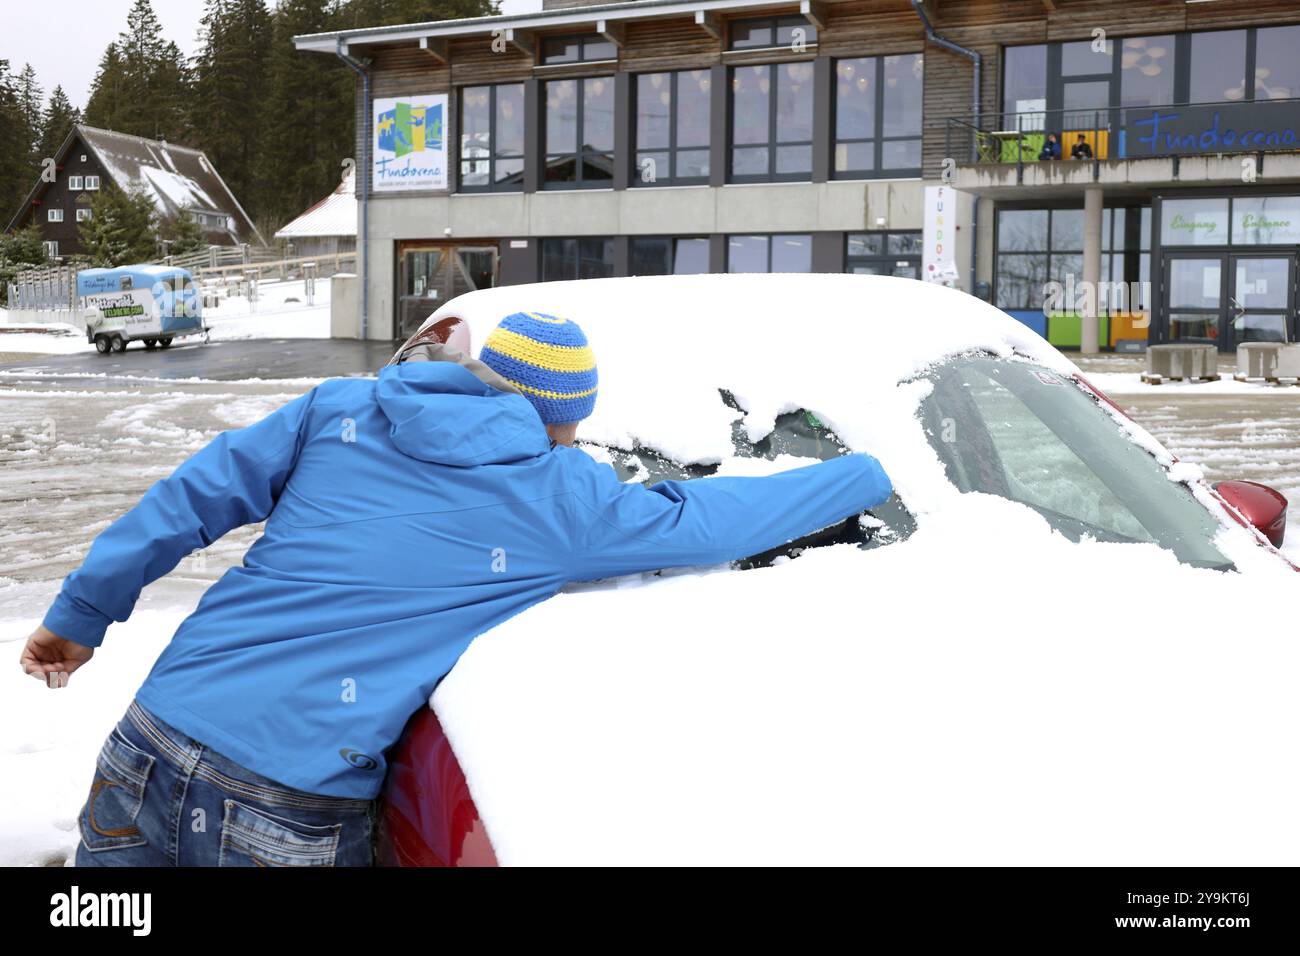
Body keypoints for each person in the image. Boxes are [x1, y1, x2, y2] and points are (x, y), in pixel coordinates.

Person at [20, 310, 894, 867]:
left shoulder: (340, 408)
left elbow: (189, 498)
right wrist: (865, 475)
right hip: (291, 805)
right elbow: (710, 519)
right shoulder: (562, 499)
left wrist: (79, 616)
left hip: (150, 738)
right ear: (565, 417)